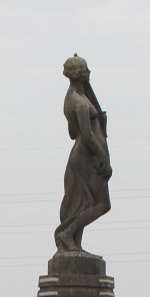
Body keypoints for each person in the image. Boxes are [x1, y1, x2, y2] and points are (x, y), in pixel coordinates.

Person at [55, 54, 112, 252]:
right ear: (78, 74)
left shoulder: (76, 99)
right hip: (87, 156)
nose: (88, 73)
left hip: (83, 154)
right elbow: (85, 134)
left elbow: (72, 133)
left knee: (82, 202)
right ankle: (66, 233)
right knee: (102, 203)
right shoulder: (78, 101)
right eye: (85, 69)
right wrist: (102, 157)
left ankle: (73, 243)